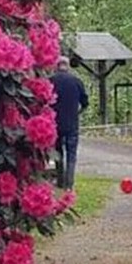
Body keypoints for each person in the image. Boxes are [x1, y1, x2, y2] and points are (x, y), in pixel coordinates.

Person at [50, 56, 89, 189]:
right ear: (68, 66)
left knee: (58, 153)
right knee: (71, 154)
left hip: (55, 123)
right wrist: (77, 112)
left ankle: (60, 181)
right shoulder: (77, 81)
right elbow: (85, 102)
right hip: (72, 123)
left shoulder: (51, 81)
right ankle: (69, 184)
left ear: (56, 66)